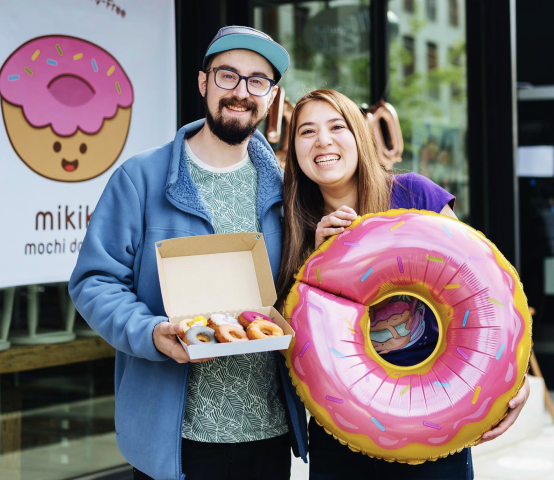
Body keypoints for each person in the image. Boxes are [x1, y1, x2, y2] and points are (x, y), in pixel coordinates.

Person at [69, 26, 308, 480]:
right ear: (203, 82)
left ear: (271, 96)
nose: (241, 92)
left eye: (257, 81)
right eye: (228, 76)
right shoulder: (141, 178)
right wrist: (149, 331)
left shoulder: (286, 188)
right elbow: (94, 282)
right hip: (175, 440)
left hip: (269, 433)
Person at [275, 89, 530, 479]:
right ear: (293, 150)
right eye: (306, 132)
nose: (323, 140)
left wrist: (514, 378)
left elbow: (481, 294)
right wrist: (314, 257)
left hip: (438, 414)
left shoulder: (414, 194)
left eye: (336, 126)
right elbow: (282, 337)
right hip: (346, 426)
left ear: (359, 134)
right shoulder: (293, 226)